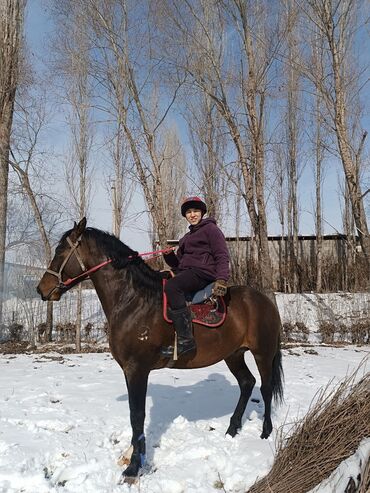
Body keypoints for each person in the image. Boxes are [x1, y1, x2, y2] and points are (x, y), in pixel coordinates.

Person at [161, 196, 230, 358]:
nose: (192, 215)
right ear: (185, 215)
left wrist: (222, 279)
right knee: (160, 281)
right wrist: (169, 256)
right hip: (188, 273)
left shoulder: (211, 230)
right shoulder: (185, 238)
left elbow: (221, 254)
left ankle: (186, 342)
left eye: (196, 211)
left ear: (202, 213)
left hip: (203, 273)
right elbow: (179, 264)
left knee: (172, 286)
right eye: (189, 212)